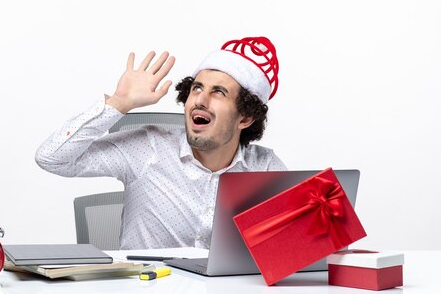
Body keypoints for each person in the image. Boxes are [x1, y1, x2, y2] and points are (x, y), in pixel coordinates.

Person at [36, 37, 286, 249]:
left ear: (245, 117)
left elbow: (296, 245)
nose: (200, 100)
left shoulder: (265, 169)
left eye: (218, 92)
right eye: (196, 88)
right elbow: (51, 158)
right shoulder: (148, 147)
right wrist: (119, 102)